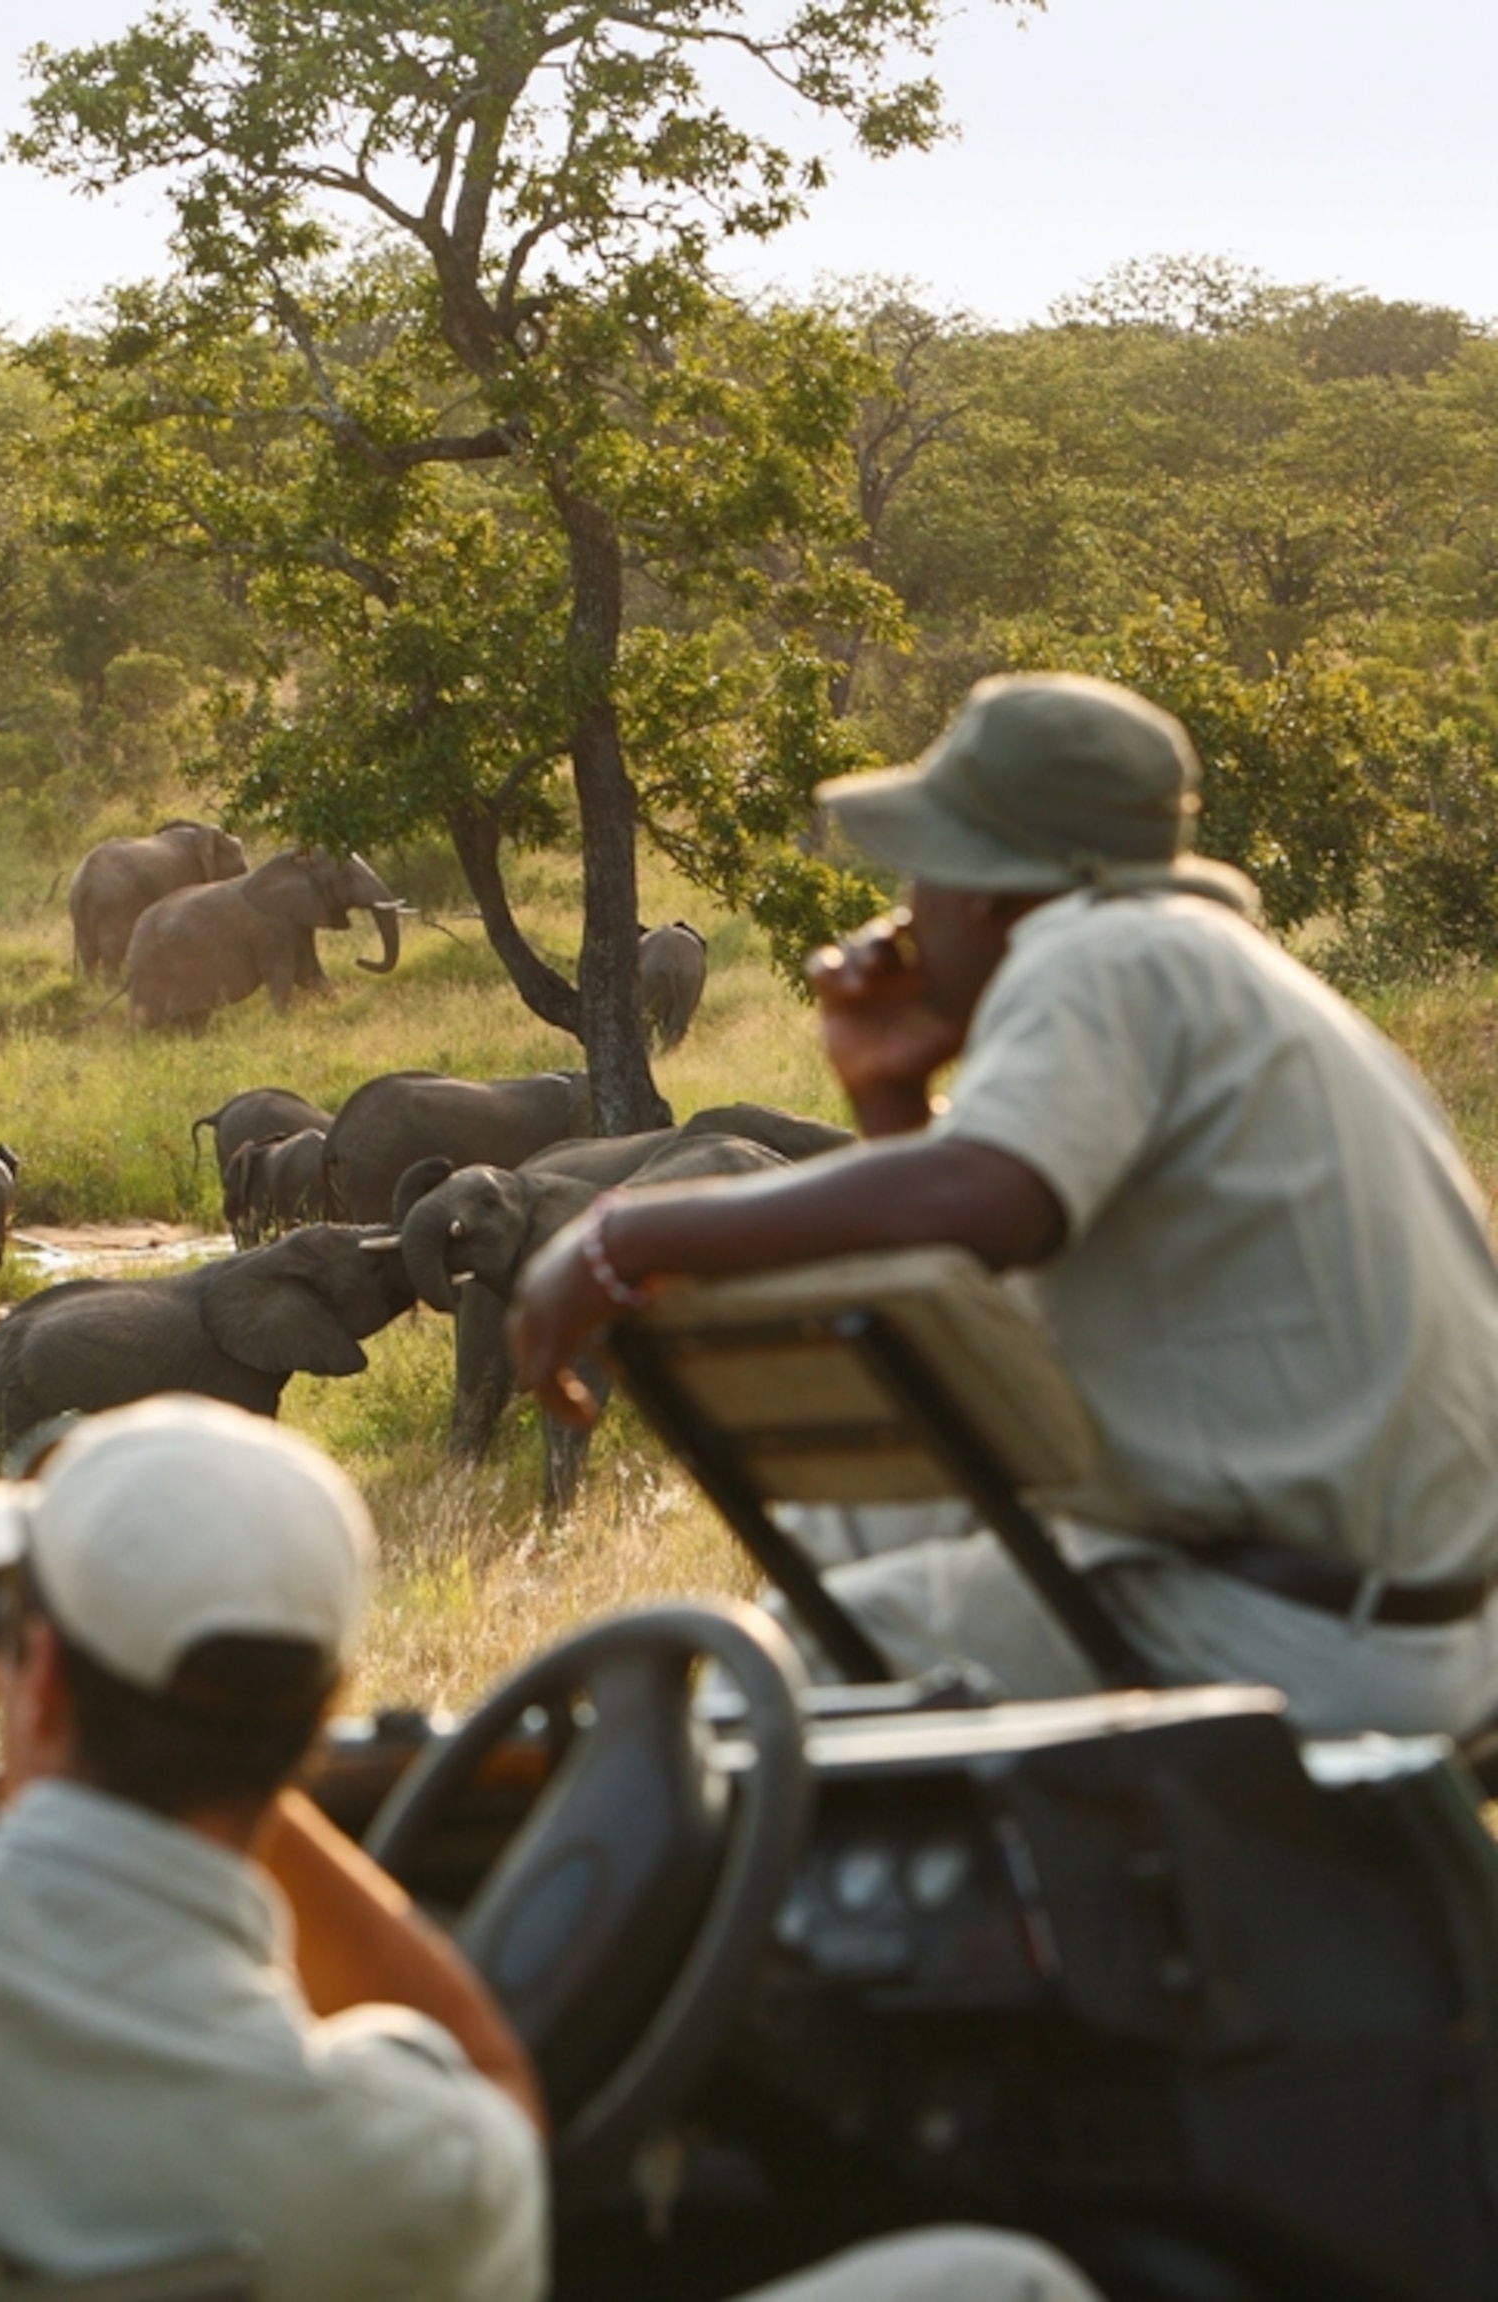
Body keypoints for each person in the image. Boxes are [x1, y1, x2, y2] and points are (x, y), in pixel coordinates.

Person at [0, 1395, 1091, 2302]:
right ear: (314, 1718)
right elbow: (505, 2117)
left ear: (22, 1668)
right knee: (994, 2277)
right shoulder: (393, 2166)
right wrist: (269, 1790)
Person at [509, 672, 1498, 1735]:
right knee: (857, 1523)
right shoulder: (1214, 970)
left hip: (1290, 1629)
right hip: (1410, 1618)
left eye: (918, 875)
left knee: (779, 1682)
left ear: (982, 882)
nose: (905, 913)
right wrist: (890, 1095)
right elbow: (981, 1291)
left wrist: (623, 1232)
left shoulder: (1102, 950)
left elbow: (988, 1201)